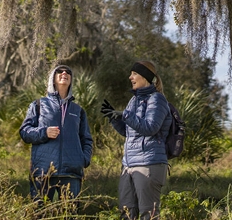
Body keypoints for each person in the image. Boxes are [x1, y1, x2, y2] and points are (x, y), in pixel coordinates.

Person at [101, 60, 172, 220]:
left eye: (134, 74)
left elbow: (150, 128)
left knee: (149, 214)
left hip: (149, 164)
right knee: (126, 213)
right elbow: (128, 132)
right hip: (129, 165)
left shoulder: (157, 100)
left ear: (145, 76)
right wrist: (114, 118)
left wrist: (125, 115)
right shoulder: (133, 101)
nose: (130, 77)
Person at [19, 64, 93, 201]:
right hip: (43, 171)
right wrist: (44, 132)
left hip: (71, 173)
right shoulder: (39, 105)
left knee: (70, 215)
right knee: (39, 213)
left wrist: (83, 160)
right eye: (59, 71)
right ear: (52, 79)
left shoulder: (78, 110)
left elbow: (86, 139)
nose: (64, 72)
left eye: (68, 71)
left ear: (71, 80)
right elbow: (25, 132)